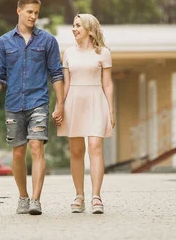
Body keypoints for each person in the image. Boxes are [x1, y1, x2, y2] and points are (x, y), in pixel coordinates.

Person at [0, 0, 65, 215]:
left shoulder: (48, 41)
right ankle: (23, 197)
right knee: (18, 153)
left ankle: (36, 200)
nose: (33, 16)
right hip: (14, 103)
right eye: (29, 12)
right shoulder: (4, 42)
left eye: (36, 13)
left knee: (36, 148)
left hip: (38, 102)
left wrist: (60, 104)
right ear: (19, 11)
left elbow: (56, 74)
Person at [57, 14, 114, 214]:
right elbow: (66, 84)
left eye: (78, 25)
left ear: (90, 29)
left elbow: (107, 83)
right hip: (74, 101)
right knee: (76, 151)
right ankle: (79, 195)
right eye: (73, 25)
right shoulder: (68, 53)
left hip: (96, 100)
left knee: (95, 146)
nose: (74, 29)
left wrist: (111, 109)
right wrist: (60, 106)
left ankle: (96, 196)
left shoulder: (104, 53)